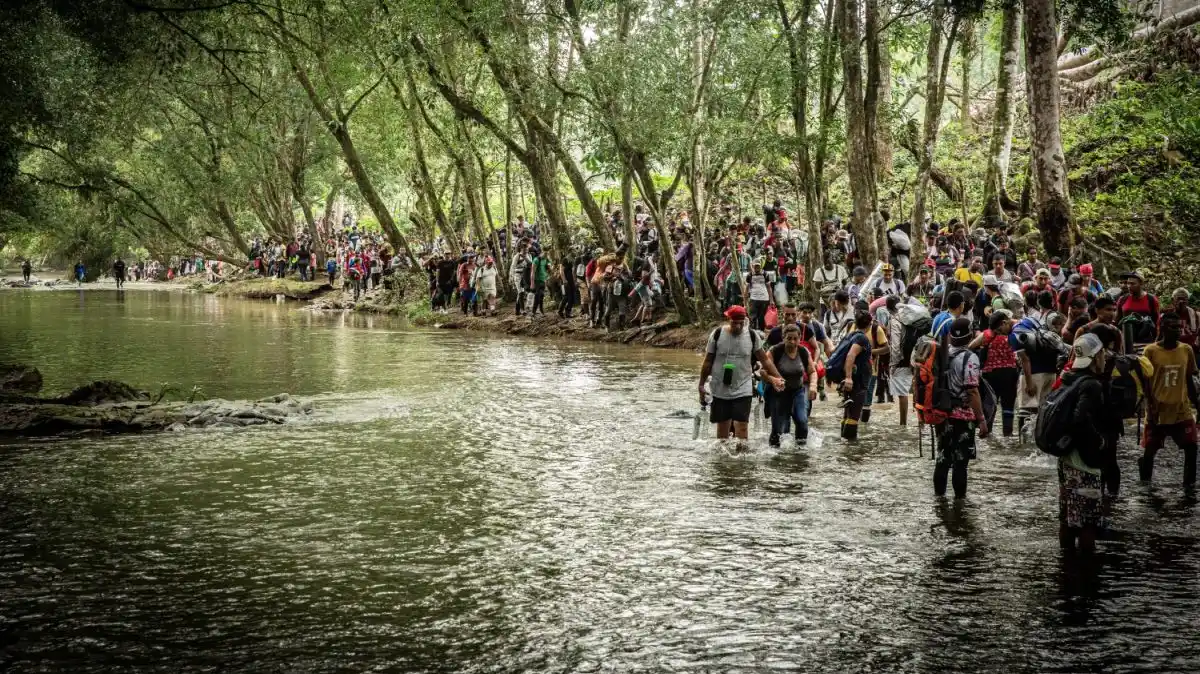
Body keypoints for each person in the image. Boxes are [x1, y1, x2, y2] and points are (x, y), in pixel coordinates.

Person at [1056, 333, 1112, 553]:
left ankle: (1066, 568)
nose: (1105, 358)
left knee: (1067, 518)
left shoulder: (1068, 377)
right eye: (1102, 354)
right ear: (1095, 356)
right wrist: (1098, 441)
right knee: (1088, 523)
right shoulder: (1091, 385)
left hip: (1066, 458)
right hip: (1084, 463)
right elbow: (1080, 419)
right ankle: (1087, 575)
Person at [699, 305, 785, 445]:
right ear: (728, 319)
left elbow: (764, 360)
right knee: (722, 432)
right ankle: (724, 463)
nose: (738, 326)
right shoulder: (717, 334)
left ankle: (742, 461)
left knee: (742, 427)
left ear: (745, 320)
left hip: (743, 387)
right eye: (734, 322)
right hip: (720, 387)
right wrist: (701, 385)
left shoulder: (752, 336)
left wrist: (778, 378)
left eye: (741, 322)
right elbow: (708, 361)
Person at [1138, 313, 1200, 489]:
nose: (1178, 331)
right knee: (1150, 451)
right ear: (1163, 328)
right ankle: (1145, 487)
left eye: (1179, 327)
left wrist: (1197, 403)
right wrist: (1150, 407)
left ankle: (1189, 487)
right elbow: (1146, 382)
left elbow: (1189, 379)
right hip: (1158, 409)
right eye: (1173, 327)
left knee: (1191, 448)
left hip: (1182, 409)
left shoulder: (1186, 350)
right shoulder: (1151, 351)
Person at [935, 317, 990, 499]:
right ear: (970, 336)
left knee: (942, 459)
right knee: (960, 463)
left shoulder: (944, 353)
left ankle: (939, 501)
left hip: (943, 414)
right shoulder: (970, 357)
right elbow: (972, 390)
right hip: (963, 417)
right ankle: (959, 505)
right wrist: (981, 420)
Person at [768, 325, 819, 447]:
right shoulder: (775, 351)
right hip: (778, 393)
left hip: (798, 391)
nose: (792, 342)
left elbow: (812, 371)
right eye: (789, 338)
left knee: (802, 421)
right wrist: (773, 379)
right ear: (783, 338)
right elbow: (763, 371)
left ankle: (800, 452)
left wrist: (813, 385)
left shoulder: (803, 351)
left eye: (795, 338)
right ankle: (775, 455)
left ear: (800, 338)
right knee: (778, 429)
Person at [970, 311, 1018, 436]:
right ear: (1003, 323)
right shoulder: (1014, 334)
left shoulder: (987, 335)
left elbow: (970, 346)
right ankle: (1008, 434)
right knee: (1008, 405)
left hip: (990, 374)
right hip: (1009, 374)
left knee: (990, 403)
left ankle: (987, 431)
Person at [1115, 270, 1160, 349]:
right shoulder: (1122, 299)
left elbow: (1157, 322)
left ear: (1141, 284)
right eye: (1128, 283)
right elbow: (1117, 320)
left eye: (1133, 284)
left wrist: (1156, 341)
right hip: (1127, 341)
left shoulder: (1151, 299)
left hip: (1146, 342)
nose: (1129, 286)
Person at [746, 262, 772, 330]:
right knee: (753, 317)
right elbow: (747, 288)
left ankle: (761, 332)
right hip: (754, 298)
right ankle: (753, 332)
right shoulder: (750, 275)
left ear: (761, 266)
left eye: (758, 266)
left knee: (761, 317)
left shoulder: (765, 274)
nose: (757, 268)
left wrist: (771, 300)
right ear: (753, 266)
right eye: (755, 266)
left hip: (764, 299)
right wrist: (745, 300)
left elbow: (769, 287)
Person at [511, 239, 533, 316]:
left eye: (526, 249)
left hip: (525, 276)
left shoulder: (529, 255)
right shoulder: (517, 256)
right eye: (524, 249)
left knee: (522, 292)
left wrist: (525, 257)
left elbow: (531, 264)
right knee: (521, 292)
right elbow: (513, 267)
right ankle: (522, 309)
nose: (525, 250)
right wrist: (511, 278)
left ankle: (517, 310)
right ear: (521, 249)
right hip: (517, 275)